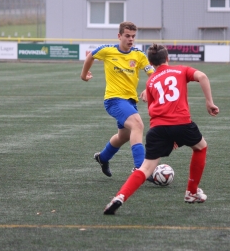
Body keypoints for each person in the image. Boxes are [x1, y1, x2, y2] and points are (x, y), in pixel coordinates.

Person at [103, 44, 219, 215]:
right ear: (167, 58)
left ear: (150, 62)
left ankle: (119, 197)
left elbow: (152, 109)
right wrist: (209, 102)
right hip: (182, 123)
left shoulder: (150, 82)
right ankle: (191, 192)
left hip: (157, 128)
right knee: (200, 147)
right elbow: (202, 76)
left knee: (145, 168)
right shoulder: (181, 70)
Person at [80, 21, 155, 177]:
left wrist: (149, 88)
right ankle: (141, 169)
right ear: (119, 36)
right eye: (127, 36)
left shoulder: (139, 55)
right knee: (138, 125)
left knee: (124, 136)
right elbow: (90, 57)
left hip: (130, 102)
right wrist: (84, 75)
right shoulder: (107, 50)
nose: (131, 39)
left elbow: (153, 75)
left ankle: (103, 158)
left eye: (133, 36)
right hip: (113, 99)